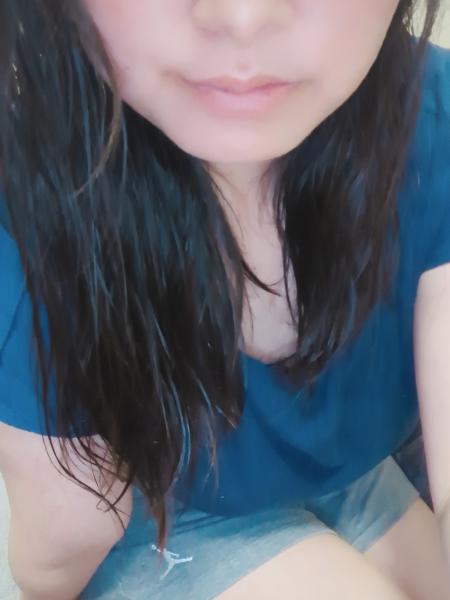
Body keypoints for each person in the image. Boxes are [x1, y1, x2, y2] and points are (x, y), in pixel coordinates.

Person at [0, 1, 450, 598]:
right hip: (151, 508)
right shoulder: (31, 216)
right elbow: (65, 540)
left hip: (347, 470)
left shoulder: (433, 123)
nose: (243, 16)